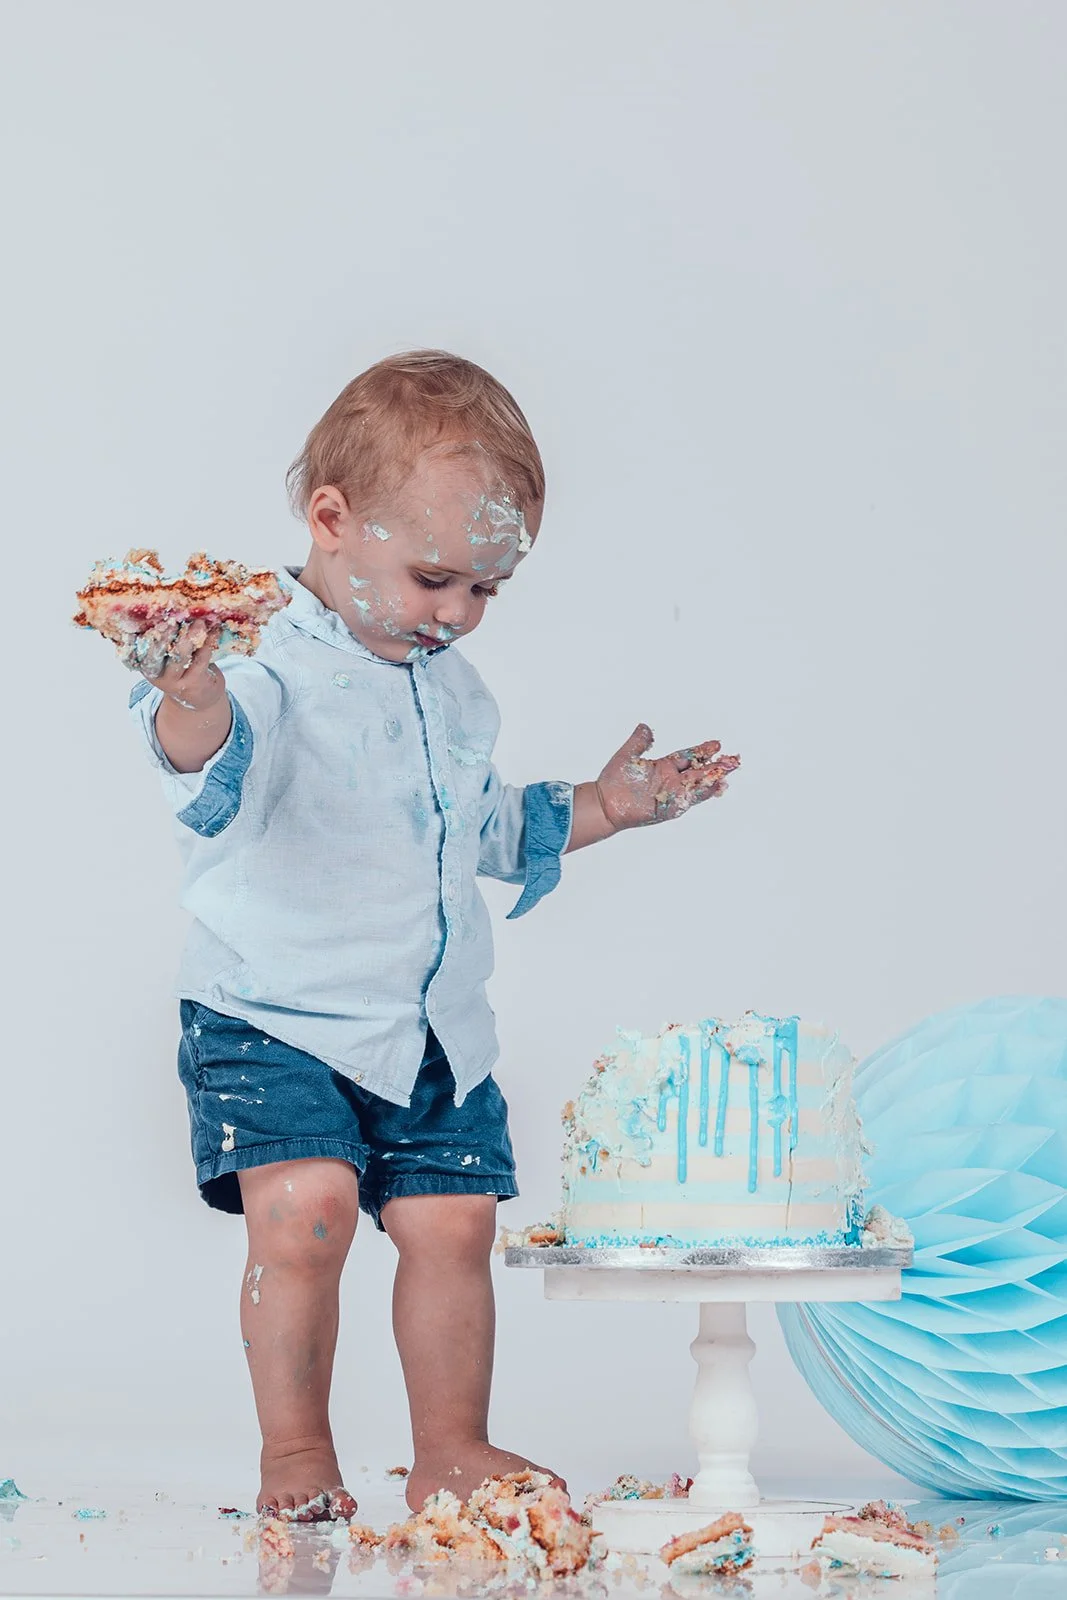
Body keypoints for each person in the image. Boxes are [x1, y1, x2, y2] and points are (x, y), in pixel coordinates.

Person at [127, 350, 739, 1520]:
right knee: (302, 1213)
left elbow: (480, 825)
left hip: (428, 1028)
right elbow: (206, 769)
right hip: (275, 1014)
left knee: (453, 1227)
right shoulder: (252, 660)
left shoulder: (449, 689)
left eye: (484, 593)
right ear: (331, 518)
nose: (456, 615)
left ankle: (451, 1444)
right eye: (432, 578)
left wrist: (606, 806)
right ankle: (295, 1455)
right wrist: (190, 693)